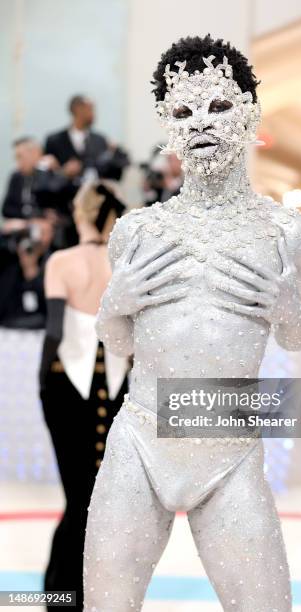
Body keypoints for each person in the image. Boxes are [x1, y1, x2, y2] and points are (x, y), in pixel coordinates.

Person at [83, 35, 301, 611]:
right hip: (140, 437)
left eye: (217, 107)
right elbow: (118, 341)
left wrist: (285, 303)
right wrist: (113, 305)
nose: (201, 125)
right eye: (184, 112)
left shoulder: (287, 232)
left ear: (249, 113)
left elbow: (300, 333)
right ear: (167, 123)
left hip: (231, 447)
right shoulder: (138, 231)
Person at [39, 181, 129, 611]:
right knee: (94, 498)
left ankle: (60, 596)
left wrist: (41, 384)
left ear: (81, 214)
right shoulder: (124, 263)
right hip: (114, 387)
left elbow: (54, 331)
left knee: (77, 498)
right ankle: (88, 593)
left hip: (65, 385)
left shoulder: (62, 261)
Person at [44, 95, 129, 185]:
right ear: (77, 110)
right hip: (64, 196)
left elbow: (108, 171)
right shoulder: (54, 141)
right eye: (90, 109)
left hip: (93, 195)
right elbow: (46, 177)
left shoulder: (100, 140)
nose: (93, 114)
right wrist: (63, 172)